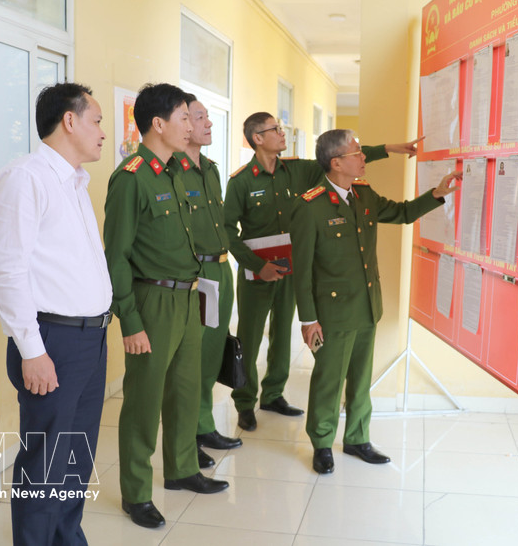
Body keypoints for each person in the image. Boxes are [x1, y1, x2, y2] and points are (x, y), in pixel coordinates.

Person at [224, 112, 423, 432]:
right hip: (257, 275)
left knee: (281, 336)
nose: (282, 131)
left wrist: (390, 148)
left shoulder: (296, 169)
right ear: (257, 138)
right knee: (249, 339)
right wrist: (258, 266)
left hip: (289, 269)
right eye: (275, 129)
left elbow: (338, 157)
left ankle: (273, 393)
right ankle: (245, 402)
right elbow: (227, 231)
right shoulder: (241, 181)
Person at [290, 129, 461, 474]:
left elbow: (401, 213)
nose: (363, 157)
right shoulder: (310, 206)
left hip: (367, 304)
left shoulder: (363, 195)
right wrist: (308, 320)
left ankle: (357, 438)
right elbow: (302, 269)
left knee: (360, 377)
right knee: (328, 380)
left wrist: (437, 194)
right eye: (357, 152)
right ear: (336, 162)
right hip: (332, 312)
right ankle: (322, 443)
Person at [0, 82, 113, 545]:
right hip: (51, 342)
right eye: (97, 120)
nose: (103, 132)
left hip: (89, 340)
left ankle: (66, 539)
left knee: (76, 462)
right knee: (45, 466)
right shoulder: (26, 178)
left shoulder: (75, 182)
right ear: (69, 121)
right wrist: (32, 351)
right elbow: (7, 272)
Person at [104, 83, 228, 530]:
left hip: (187, 295)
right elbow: (115, 256)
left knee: (184, 389)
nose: (190, 126)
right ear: (158, 124)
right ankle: (136, 493)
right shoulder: (132, 177)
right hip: (151, 300)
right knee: (143, 401)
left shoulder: (176, 172)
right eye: (182, 118)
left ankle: (181, 470)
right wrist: (130, 320)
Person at [175, 97, 243, 464]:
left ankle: (203, 425)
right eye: (199, 117)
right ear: (183, 123)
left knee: (212, 352)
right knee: (191, 358)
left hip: (221, 269)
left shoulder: (212, 169)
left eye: (207, 117)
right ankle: (185, 437)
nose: (208, 124)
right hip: (196, 274)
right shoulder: (175, 170)